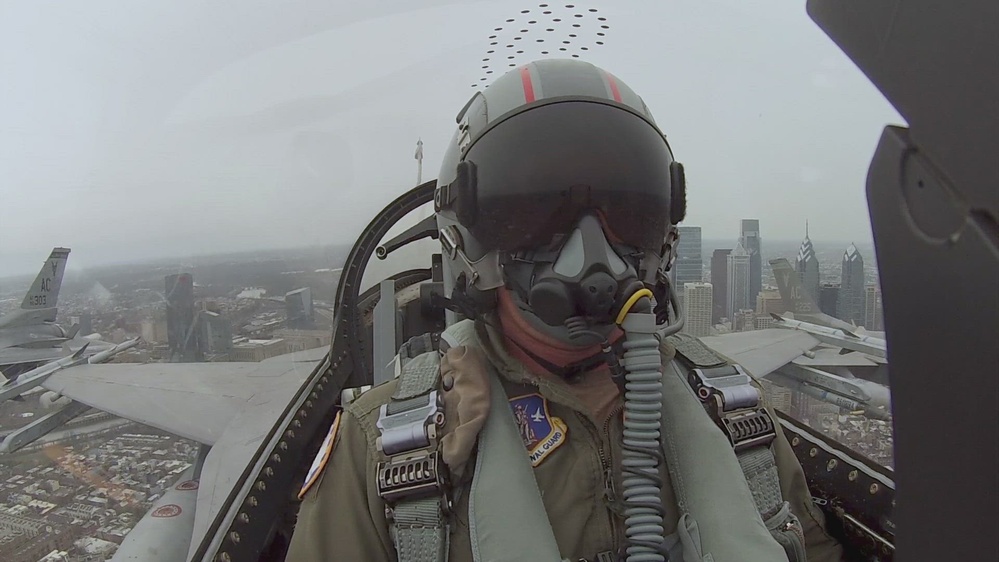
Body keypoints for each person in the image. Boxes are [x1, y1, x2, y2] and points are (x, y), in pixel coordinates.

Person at [287, 59, 843, 562]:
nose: (591, 247)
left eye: (625, 208)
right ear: (470, 237)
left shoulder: (734, 415)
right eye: (535, 211)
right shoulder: (385, 454)